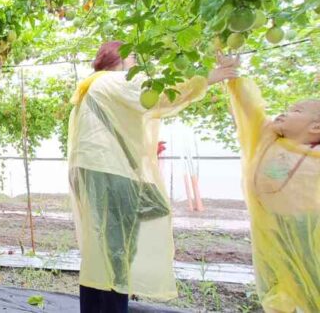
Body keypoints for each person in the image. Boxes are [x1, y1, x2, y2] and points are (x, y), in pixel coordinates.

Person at [67, 41, 239, 312]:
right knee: (117, 253)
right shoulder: (115, 80)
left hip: (97, 171)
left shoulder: (94, 86)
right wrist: (209, 76)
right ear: (119, 58)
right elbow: (160, 94)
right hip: (111, 172)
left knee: (100, 253)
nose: (137, 63)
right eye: (133, 57)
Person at [226, 76, 320, 312]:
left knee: (313, 284)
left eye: (296, 111)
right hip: (272, 231)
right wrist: (233, 78)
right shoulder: (268, 139)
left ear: (316, 127)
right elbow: (250, 110)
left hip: (309, 232)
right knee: (279, 288)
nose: (285, 113)